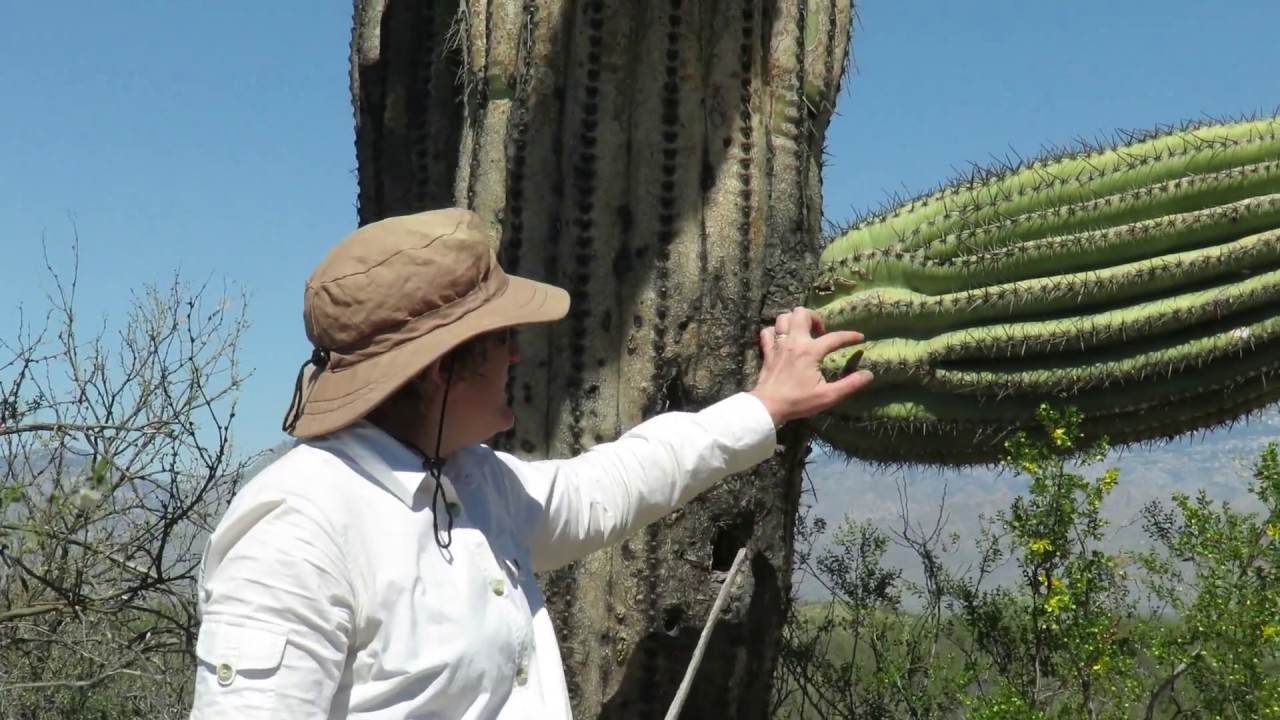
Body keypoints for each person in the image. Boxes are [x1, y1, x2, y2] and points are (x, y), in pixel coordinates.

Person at [187, 207, 874, 719]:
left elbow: (611, 483)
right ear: (440, 369)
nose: (518, 354)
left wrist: (765, 405)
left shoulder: (471, 481)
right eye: (502, 337)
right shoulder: (297, 532)